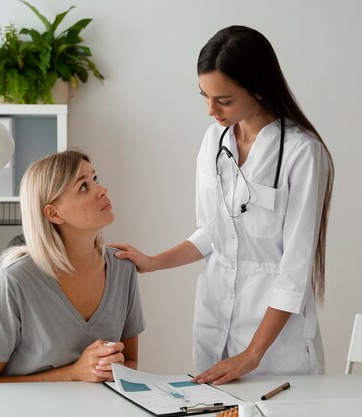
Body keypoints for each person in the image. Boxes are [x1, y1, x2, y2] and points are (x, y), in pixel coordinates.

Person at [112, 26, 334, 384]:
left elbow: (294, 270)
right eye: (204, 96)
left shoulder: (302, 153)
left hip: (276, 349)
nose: (210, 110)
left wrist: (252, 354)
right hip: (215, 328)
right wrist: (152, 263)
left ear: (259, 88)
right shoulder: (215, 140)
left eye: (224, 100)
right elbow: (212, 234)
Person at [0, 150, 145, 383]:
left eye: (95, 180)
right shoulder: (15, 281)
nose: (102, 190)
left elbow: (130, 361)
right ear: (53, 213)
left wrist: (112, 368)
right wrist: (73, 373)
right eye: (83, 186)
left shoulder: (123, 268)